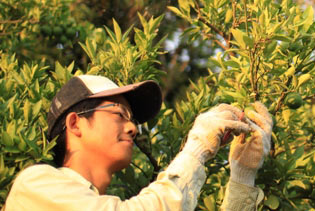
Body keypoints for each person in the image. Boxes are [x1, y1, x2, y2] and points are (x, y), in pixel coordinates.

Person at [4, 74, 272, 210]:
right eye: (119, 114)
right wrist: (196, 149)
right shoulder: (35, 186)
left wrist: (242, 175)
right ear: (75, 123)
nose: (132, 128)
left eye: (132, 119)